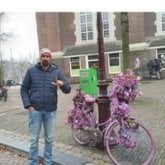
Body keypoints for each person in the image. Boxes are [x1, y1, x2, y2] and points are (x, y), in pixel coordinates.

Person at [20, 48, 71, 165]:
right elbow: (24, 89)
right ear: (40, 57)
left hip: (50, 111)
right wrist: (28, 106)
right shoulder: (31, 71)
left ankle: (48, 162)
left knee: (49, 139)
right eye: (43, 56)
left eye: (47, 56)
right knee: (33, 140)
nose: (45, 58)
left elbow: (68, 89)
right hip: (35, 110)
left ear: (50, 58)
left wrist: (62, 84)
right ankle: (33, 162)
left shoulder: (56, 72)